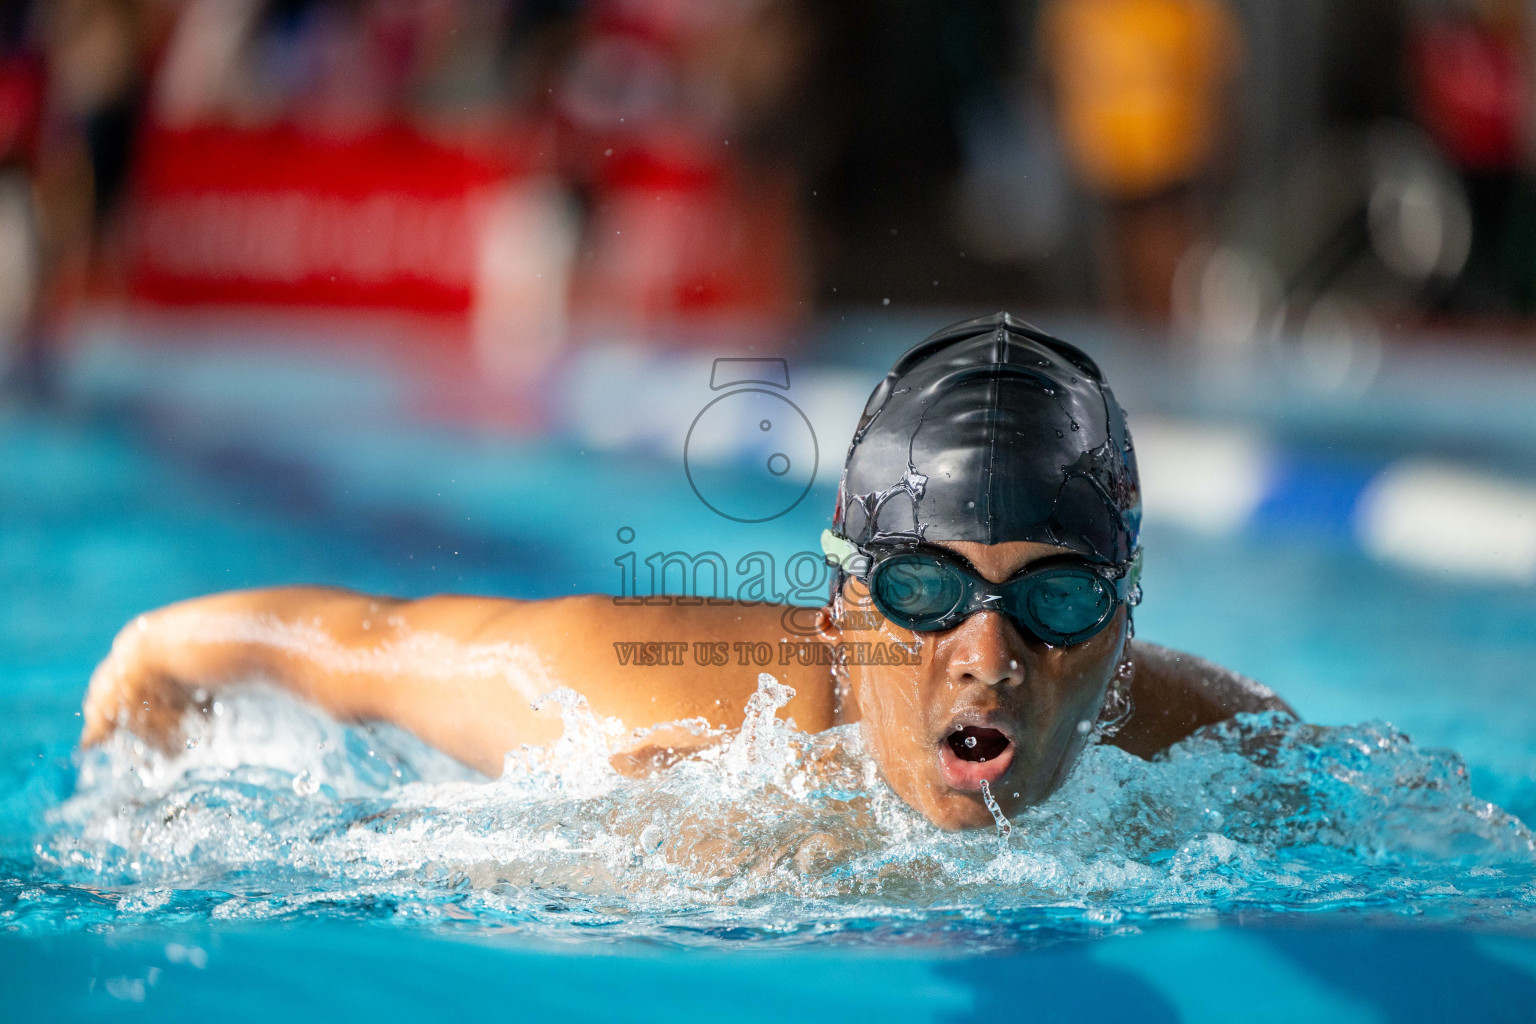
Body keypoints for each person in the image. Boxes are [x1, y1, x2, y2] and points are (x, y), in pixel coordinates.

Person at [80, 312, 1290, 830]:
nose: (987, 654)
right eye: (924, 590)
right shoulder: (643, 706)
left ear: (1123, 633)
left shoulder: (1216, 752)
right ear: (840, 605)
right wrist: (157, 652)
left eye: (1057, 600)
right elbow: (373, 643)